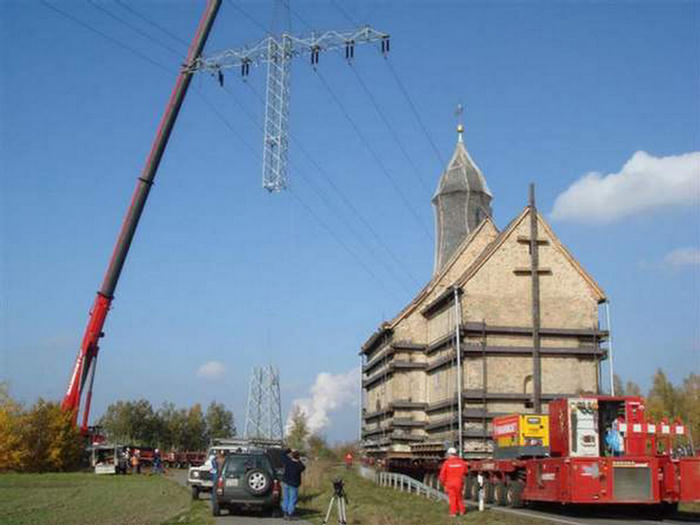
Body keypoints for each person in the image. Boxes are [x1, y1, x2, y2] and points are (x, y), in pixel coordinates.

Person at [438, 447, 468, 517]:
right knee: (459, 497)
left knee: (452, 498)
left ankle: (453, 513)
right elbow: (465, 471)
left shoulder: (447, 463)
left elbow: (442, 474)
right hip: (459, 482)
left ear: (449, 454)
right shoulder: (462, 462)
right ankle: (462, 511)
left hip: (450, 483)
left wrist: (443, 483)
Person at [281, 449, 306, 520]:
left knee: (286, 498)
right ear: (298, 457)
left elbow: (283, 454)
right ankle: (290, 514)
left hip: (286, 482)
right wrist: (298, 460)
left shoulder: (287, 461)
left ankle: (285, 513)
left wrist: (289, 449)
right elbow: (303, 467)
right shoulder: (299, 465)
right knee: (292, 499)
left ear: (292, 456)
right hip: (294, 484)